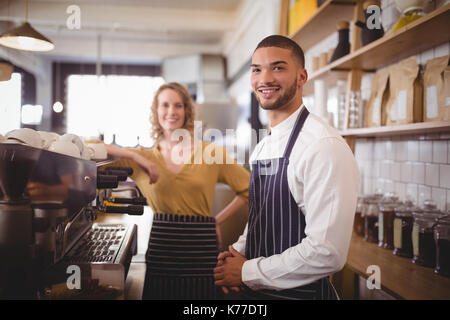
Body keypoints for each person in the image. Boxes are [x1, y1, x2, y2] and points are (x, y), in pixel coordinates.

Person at [213, 35, 360, 300]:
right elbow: (262, 215)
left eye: (278, 68)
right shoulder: (263, 147)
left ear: (302, 77)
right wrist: (239, 251)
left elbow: (327, 253)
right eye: (257, 69)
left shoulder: (322, 146)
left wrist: (246, 272)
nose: (265, 78)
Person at [99, 82, 250, 299]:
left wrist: (217, 221)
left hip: (202, 250)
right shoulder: (144, 158)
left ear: (187, 111)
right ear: (156, 111)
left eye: (178, 106)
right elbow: (88, 147)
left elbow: (248, 189)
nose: (171, 112)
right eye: (165, 105)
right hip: (163, 252)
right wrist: (135, 156)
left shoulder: (210, 152)